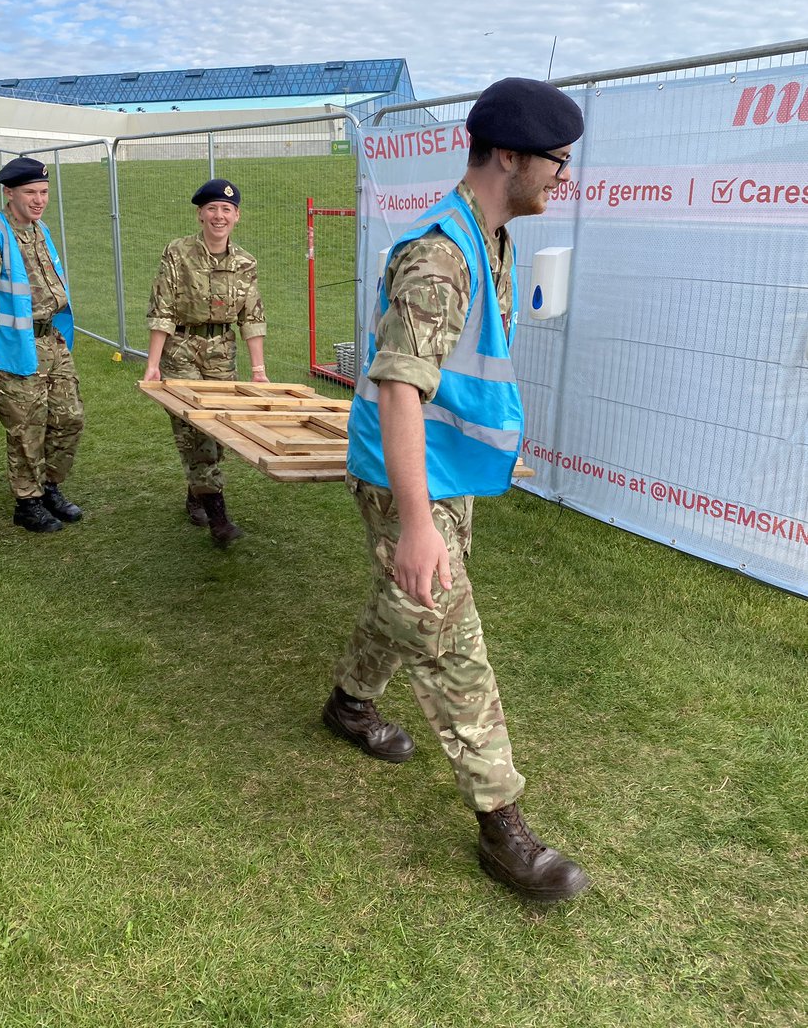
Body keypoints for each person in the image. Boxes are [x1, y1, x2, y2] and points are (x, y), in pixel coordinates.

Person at [323, 78, 590, 903]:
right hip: (406, 481)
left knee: (408, 605)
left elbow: (455, 380)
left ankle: (346, 705)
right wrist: (413, 522)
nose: (563, 179)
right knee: (448, 636)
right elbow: (400, 389)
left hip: (441, 471)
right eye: (556, 162)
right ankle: (502, 826)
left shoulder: (491, 238)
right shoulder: (439, 255)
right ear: (507, 157)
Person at [0, 157, 84, 533]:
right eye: (30, 192)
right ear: (8, 192)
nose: (39, 199)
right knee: (25, 427)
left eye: (44, 192)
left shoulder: (39, 229)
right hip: (16, 346)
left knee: (68, 419)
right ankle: (27, 503)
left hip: (52, 341)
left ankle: (49, 487)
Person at [144, 178, 268, 544]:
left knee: (217, 429)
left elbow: (252, 316)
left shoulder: (246, 263)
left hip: (221, 353)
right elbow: (162, 309)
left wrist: (258, 371)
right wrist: (153, 364)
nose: (219, 216)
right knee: (194, 431)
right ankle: (219, 519)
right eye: (212, 208)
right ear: (200, 214)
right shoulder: (177, 253)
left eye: (226, 210)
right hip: (181, 349)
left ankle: (196, 491)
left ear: (237, 217)